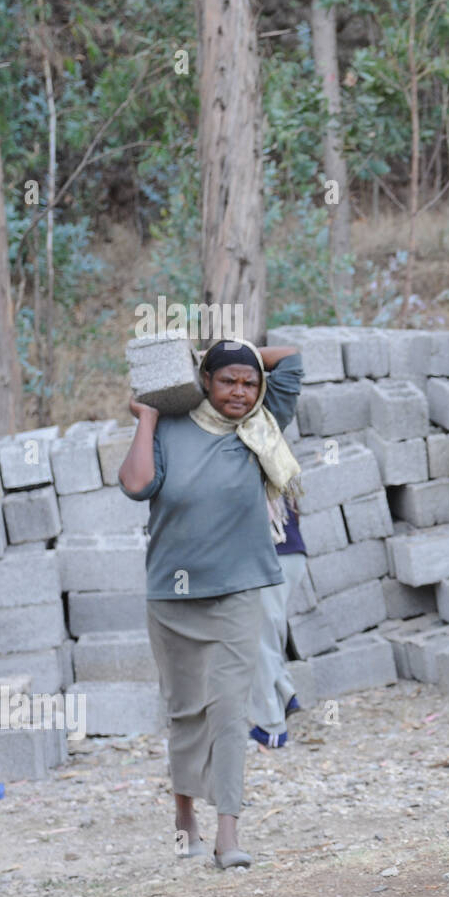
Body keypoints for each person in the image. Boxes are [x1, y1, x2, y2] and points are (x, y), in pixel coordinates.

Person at [119, 337, 303, 870]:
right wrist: (148, 418)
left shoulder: (260, 426)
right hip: (172, 597)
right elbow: (136, 485)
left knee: (228, 709)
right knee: (185, 711)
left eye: (248, 383)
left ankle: (228, 833)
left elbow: (290, 355)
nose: (240, 392)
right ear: (204, 381)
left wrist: (236, 351)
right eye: (227, 381)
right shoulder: (171, 428)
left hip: (239, 591)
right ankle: (184, 819)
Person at [249, 499, 307, 749]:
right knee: (269, 633)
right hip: (291, 554)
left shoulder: (240, 463)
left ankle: (272, 727)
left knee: (259, 641)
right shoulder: (274, 463)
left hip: (271, 556)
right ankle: (286, 693)